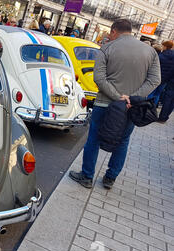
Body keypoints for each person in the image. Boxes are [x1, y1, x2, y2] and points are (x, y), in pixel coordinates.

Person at [69, 19, 161, 190]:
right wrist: (132, 98)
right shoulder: (150, 51)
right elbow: (155, 79)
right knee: (123, 141)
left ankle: (87, 176)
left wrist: (117, 96)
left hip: (105, 104)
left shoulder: (107, 48)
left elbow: (99, 78)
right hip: (130, 107)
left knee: (94, 138)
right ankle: (110, 178)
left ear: (113, 31)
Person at [148, 40, 174, 106]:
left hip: (157, 77)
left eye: (163, 46)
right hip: (165, 80)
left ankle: (147, 108)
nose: (162, 47)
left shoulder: (162, 55)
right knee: (157, 94)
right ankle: (152, 108)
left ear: (165, 46)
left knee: (151, 93)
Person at [156, 41, 174, 122]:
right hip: (169, 80)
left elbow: (171, 70)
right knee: (172, 102)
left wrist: (166, 79)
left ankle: (162, 117)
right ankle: (165, 117)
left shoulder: (163, 55)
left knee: (168, 99)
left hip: (170, 81)